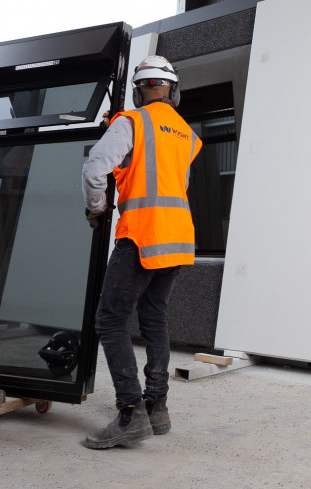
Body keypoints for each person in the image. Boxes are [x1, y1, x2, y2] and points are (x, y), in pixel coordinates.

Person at [80, 55, 201, 449]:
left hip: (141, 238)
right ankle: (157, 408)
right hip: (178, 239)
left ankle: (130, 412)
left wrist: (96, 209)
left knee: (111, 321)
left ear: (139, 91)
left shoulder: (131, 122)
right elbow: (170, 179)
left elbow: (95, 169)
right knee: (154, 320)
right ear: (173, 91)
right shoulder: (186, 133)